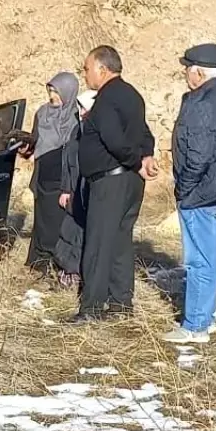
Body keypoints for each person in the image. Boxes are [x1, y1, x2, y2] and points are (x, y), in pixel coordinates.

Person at [164, 44, 216, 345]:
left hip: (200, 191)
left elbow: (199, 154)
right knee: (210, 256)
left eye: (188, 68)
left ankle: (195, 325)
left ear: (198, 72)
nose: (186, 73)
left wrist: (184, 187)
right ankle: (204, 317)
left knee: (199, 259)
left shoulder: (202, 103)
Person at [72, 45, 156, 322]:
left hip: (111, 181)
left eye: (87, 69)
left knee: (97, 243)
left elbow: (114, 141)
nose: (85, 75)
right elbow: (145, 133)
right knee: (120, 242)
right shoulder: (132, 95)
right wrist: (144, 157)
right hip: (130, 182)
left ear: (102, 69)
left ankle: (92, 308)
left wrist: (134, 160)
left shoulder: (107, 99)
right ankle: (121, 303)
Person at [24, 72, 80, 277]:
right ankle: (39, 264)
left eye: (56, 91)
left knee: (59, 224)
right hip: (43, 177)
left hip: (62, 181)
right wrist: (24, 147)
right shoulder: (42, 114)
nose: (52, 96)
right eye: (50, 91)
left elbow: (75, 152)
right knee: (42, 221)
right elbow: (34, 143)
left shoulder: (77, 118)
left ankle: (59, 264)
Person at [54, 89, 96, 289]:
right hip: (74, 189)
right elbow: (68, 162)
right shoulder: (76, 131)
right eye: (79, 106)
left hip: (89, 189)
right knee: (70, 229)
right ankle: (67, 270)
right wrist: (66, 188)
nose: (80, 111)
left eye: (84, 107)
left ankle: (78, 273)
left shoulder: (94, 131)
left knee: (82, 232)